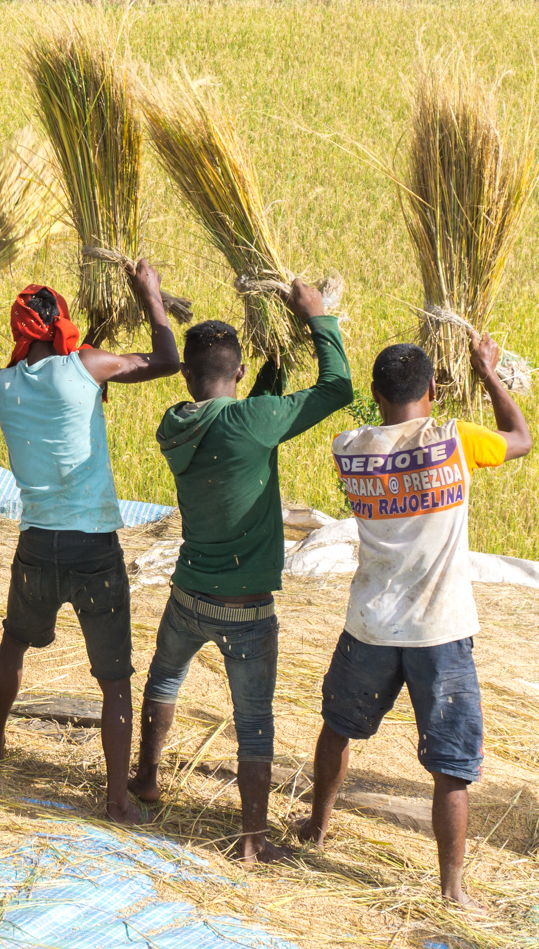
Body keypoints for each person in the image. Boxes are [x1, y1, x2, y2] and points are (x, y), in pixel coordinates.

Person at [292, 334, 531, 909]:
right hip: (440, 631)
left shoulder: (349, 448)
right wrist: (490, 374)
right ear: (432, 389)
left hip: (370, 625)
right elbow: (520, 439)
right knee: (451, 765)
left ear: (375, 394)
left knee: (338, 728)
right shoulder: (455, 440)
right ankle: (452, 888)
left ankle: (318, 827)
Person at [128, 280, 353, 860]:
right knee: (254, 720)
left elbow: (247, 415)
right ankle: (252, 840)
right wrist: (316, 319)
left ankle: (146, 778)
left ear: (187, 376)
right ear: (239, 369)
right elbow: (338, 387)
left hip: (187, 595)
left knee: (163, 680)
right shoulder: (254, 420)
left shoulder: (175, 422)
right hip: (247, 610)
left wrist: (275, 360)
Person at [0, 260, 180, 825]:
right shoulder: (86, 367)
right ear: (60, 322)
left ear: (20, 332)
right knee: (114, 678)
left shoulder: (4, 383)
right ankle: (116, 803)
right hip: (94, 548)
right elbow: (165, 360)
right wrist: (151, 295)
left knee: (15, 641)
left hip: (37, 545)